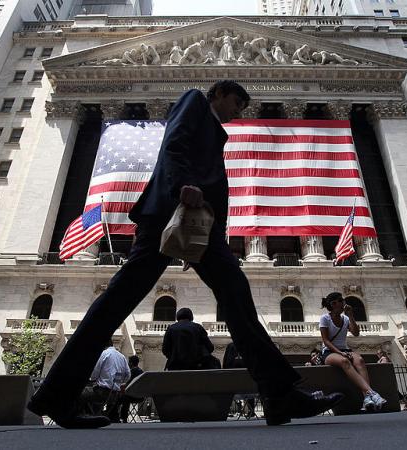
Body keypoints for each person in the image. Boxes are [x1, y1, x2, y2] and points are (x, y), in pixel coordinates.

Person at [27, 80, 342, 429]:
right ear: (219, 93)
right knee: (116, 302)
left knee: (233, 294)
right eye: (237, 103)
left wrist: (202, 240)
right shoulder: (194, 99)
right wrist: (181, 187)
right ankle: (56, 394)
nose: (239, 112)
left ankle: (279, 394)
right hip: (170, 212)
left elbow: (212, 180)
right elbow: (172, 146)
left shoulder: (215, 129)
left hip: (197, 227)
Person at [319, 292, 387, 411]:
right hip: (329, 352)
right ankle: (372, 393)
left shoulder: (345, 318)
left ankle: (367, 398)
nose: (344, 302)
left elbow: (356, 333)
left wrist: (350, 315)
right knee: (345, 361)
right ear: (333, 304)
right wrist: (340, 353)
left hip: (345, 349)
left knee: (359, 360)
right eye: (341, 300)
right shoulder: (325, 318)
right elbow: (326, 341)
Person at [81, 341, 130, 420]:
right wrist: (119, 383)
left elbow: (94, 375)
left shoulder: (104, 354)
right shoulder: (122, 356)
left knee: (80, 393)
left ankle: (85, 416)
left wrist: (93, 379)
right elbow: (128, 375)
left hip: (102, 393)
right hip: (115, 395)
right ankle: (94, 414)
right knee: (92, 393)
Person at [117, 355, 144, 423]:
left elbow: (127, 384)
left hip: (132, 396)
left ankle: (120, 417)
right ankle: (121, 417)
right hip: (141, 397)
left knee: (118, 398)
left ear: (131, 363)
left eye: (129, 362)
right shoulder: (141, 371)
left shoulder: (132, 371)